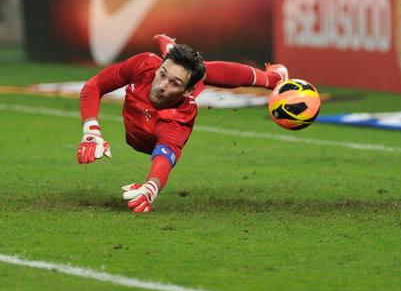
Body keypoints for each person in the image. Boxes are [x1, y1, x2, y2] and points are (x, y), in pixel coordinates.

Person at [76, 35, 289, 214]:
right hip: (158, 84)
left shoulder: (179, 118)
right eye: (162, 75)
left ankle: (272, 79)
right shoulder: (144, 65)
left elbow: (165, 157)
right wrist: (91, 131)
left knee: (203, 72)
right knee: (182, 65)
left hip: (156, 129)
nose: (161, 85)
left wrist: (151, 187)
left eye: (174, 84)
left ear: (188, 91)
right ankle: (171, 48)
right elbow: (94, 86)